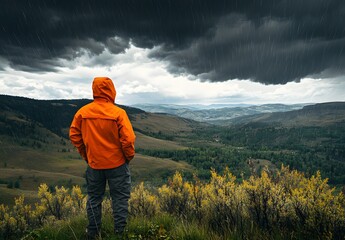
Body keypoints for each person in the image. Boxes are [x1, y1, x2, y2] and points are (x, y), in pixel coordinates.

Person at [69, 77, 136, 239]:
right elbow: (128, 140)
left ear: (94, 90)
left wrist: (87, 156)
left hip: (94, 165)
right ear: (111, 90)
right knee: (119, 198)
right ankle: (120, 233)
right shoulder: (118, 113)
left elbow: (74, 135)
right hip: (118, 164)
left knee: (94, 198)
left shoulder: (82, 113)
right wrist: (127, 157)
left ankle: (93, 232)